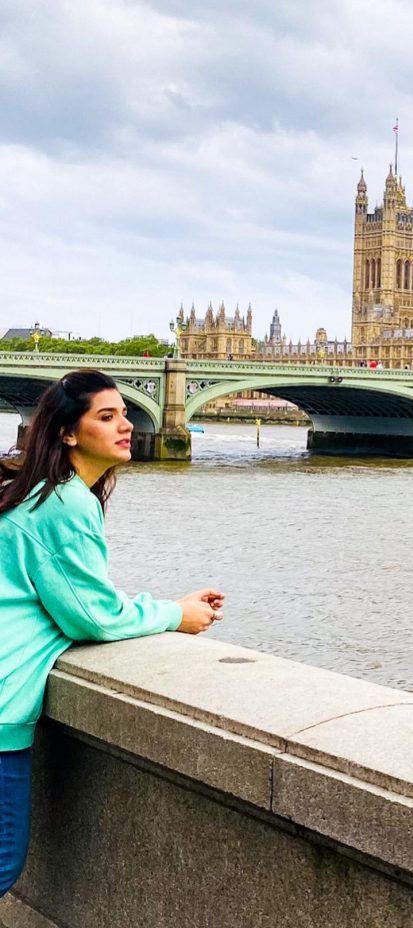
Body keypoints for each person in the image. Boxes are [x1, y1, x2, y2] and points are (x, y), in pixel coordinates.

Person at [0, 370, 224, 898]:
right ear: (67, 433)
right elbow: (93, 616)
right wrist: (175, 614)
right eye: (108, 416)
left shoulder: (28, 494)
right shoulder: (64, 503)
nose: (127, 425)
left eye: (124, 413)